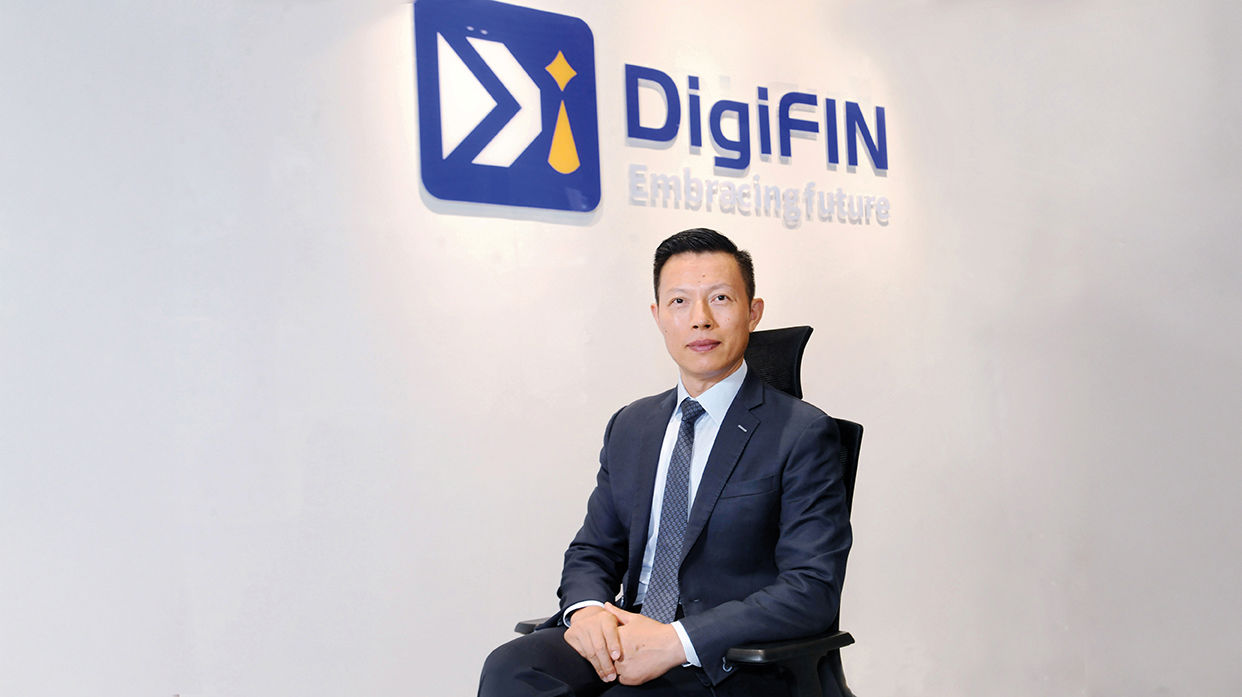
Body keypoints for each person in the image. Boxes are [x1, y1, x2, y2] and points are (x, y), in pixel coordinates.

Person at [479, 228, 852, 696]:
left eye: (720, 299)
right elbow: (593, 550)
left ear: (753, 312)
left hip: (724, 657)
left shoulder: (801, 432)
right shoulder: (632, 425)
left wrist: (676, 641)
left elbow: (812, 588)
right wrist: (588, 610)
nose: (700, 320)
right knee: (512, 668)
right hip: (628, 630)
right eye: (679, 302)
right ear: (658, 316)